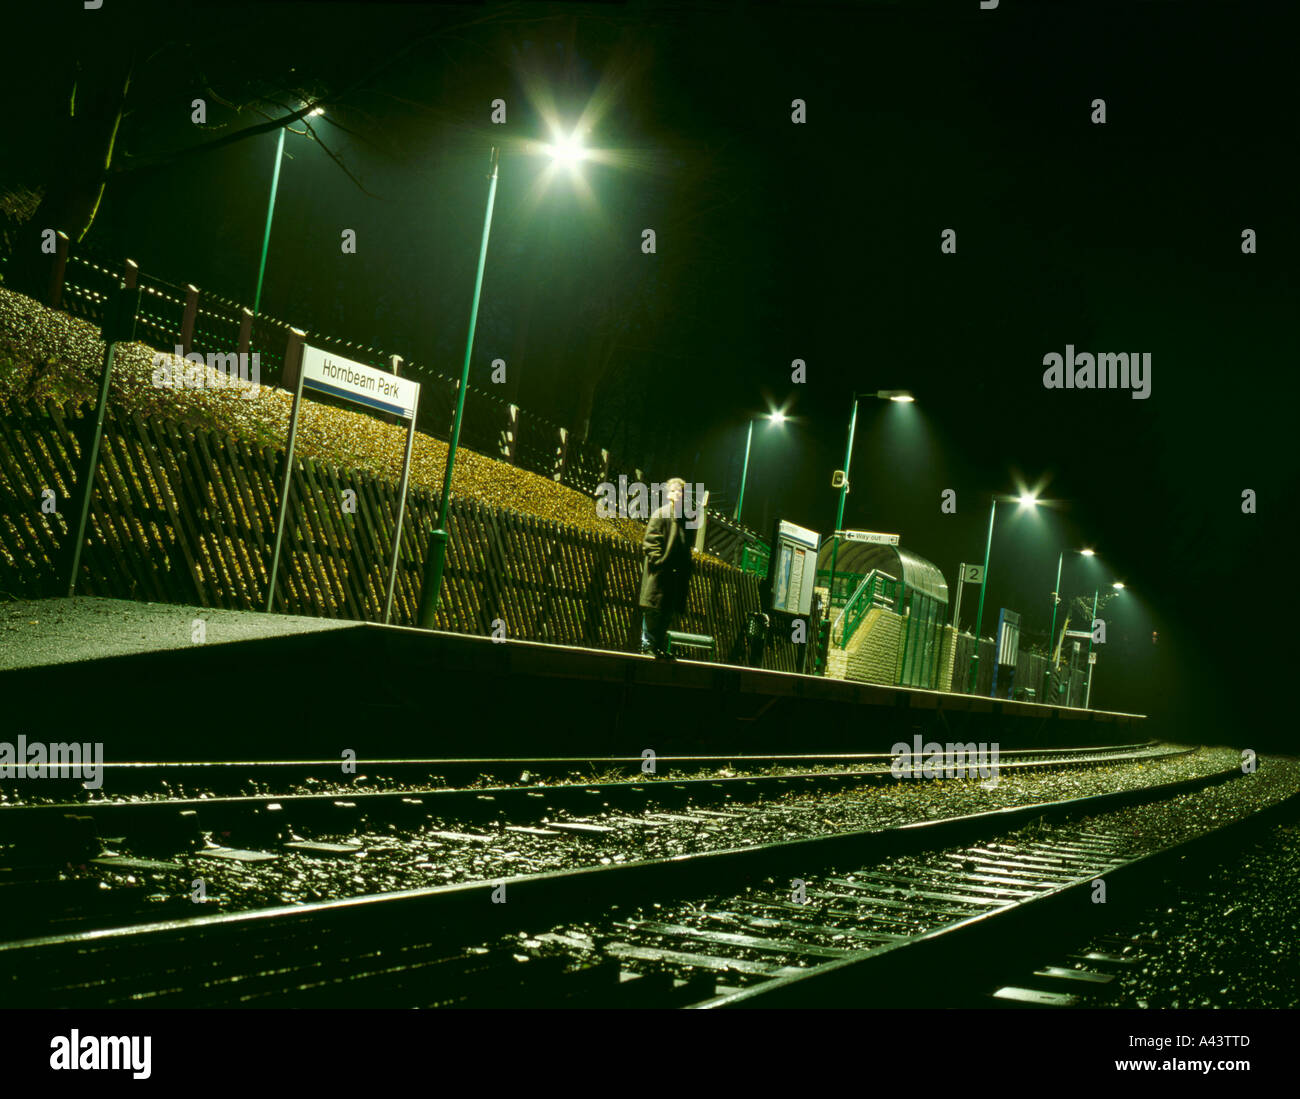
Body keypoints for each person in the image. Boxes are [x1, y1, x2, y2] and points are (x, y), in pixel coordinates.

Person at [639, 478, 694, 658]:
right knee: (654, 614)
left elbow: (686, 549)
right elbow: (651, 542)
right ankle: (647, 647)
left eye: (682, 492)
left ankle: (657, 648)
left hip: (673, 581)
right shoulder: (661, 514)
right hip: (661, 577)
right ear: (669, 494)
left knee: (665, 615)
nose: (679, 495)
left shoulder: (685, 520)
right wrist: (660, 562)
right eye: (676, 491)